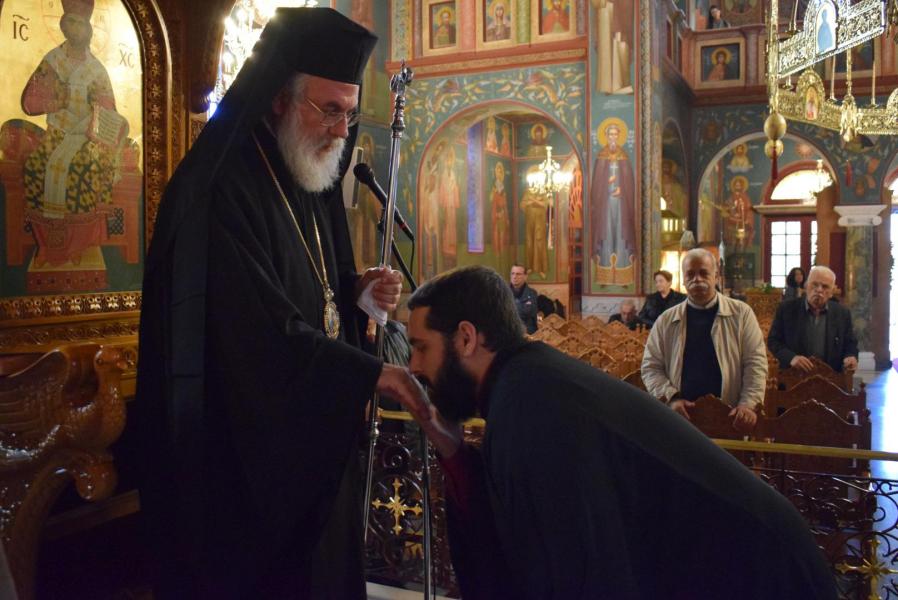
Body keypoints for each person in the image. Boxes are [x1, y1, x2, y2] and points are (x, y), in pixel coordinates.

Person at [135, 9, 431, 598]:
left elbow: (315, 291)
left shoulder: (309, 177)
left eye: (350, 113)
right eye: (329, 110)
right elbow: (253, 331)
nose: (342, 131)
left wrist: (356, 293)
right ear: (278, 98)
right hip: (244, 466)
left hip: (312, 445)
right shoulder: (221, 188)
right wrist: (369, 373)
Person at [404, 265, 836, 600]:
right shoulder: (524, 385)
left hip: (764, 575)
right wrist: (452, 448)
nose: (413, 367)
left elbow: (579, 575)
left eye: (421, 347)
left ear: (466, 338)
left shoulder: (529, 404)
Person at [21, 0, 128, 266]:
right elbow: (30, 101)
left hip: (86, 138)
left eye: (81, 23)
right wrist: (58, 99)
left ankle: (77, 245)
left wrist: (97, 116)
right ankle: (46, 245)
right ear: (63, 25)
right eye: (71, 22)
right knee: (36, 166)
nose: (76, 28)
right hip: (56, 134)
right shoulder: (52, 61)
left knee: (84, 169)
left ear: (89, 29)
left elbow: (109, 111)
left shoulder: (96, 70)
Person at [641, 249, 767, 430]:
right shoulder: (666, 320)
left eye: (703, 273)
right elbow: (651, 367)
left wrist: (748, 403)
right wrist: (671, 398)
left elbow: (755, 363)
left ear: (716, 277)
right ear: (683, 280)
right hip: (681, 417)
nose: (697, 279)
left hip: (730, 415)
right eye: (690, 274)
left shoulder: (741, 314)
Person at [768, 265, 859, 373]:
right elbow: (773, 341)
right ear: (806, 286)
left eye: (825, 287)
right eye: (815, 284)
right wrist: (791, 358)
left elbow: (850, 343)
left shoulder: (842, 313)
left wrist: (850, 356)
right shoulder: (787, 309)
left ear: (831, 292)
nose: (819, 290)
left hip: (831, 377)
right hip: (794, 376)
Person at [591, 122, 636, 271]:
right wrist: (607, 182)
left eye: (615, 134)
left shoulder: (624, 156)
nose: (613, 137)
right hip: (605, 202)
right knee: (606, 230)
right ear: (606, 136)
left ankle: (623, 264)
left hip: (621, 202)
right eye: (610, 134)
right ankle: (604, 264)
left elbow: (629, 181)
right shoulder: (601, 156)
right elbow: (597, 183)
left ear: (618, 136)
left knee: (621, 230)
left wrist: (622, 189)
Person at [510, 263, 538, 334]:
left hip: (528, 333)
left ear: (525, 277)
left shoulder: (532, 293)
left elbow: (530, 316)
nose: (514, 277)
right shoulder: (502, 292)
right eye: (512, 273)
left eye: (518, 274)